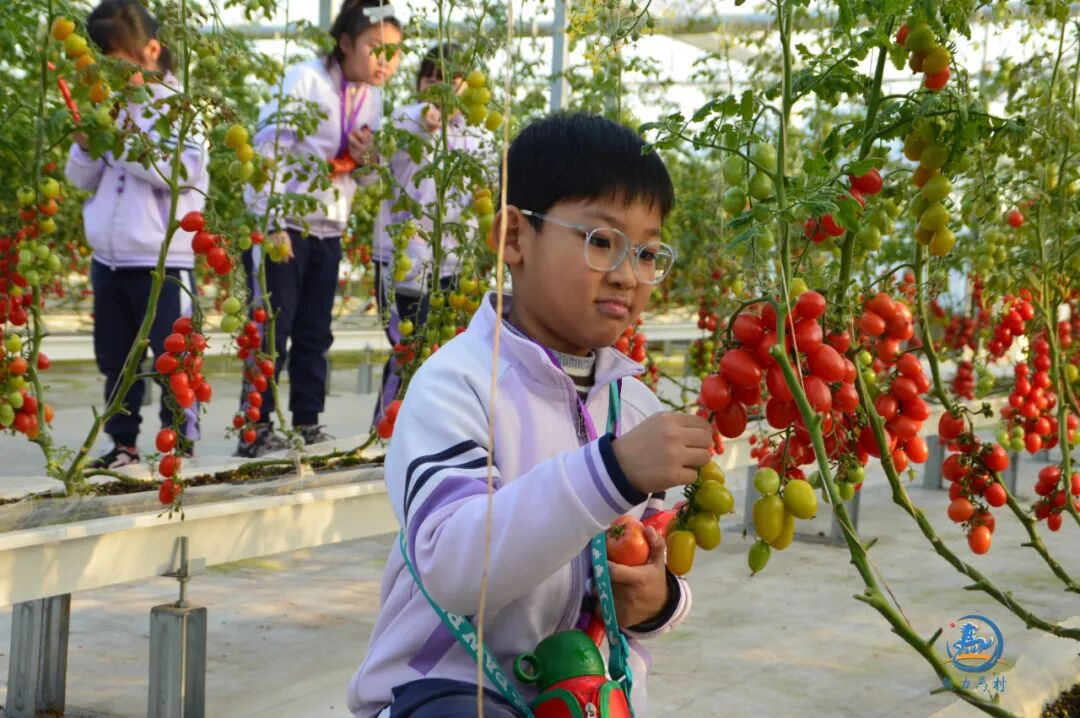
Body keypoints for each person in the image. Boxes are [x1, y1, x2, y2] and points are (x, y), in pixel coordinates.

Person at [348, 113, 713, 717]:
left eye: (648, 253)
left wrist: (658, 599)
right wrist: (613, 471)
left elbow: (653, 559)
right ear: (514, 237)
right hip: (450, 691)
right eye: (601, 241)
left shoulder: (635, 406)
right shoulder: (456, 386)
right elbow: (453, 565)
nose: (628, 273)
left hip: (588, 696)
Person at [239, 0, 403, 457]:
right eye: (375, 49)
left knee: (315, 331)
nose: (385, 63)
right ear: (346, 42)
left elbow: (367, 177)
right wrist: (270, 223)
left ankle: (307, 422)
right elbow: (267, 149)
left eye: (394, 53)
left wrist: (368, 158)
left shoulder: (372, 96)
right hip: (286, 225)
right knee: (273, 326)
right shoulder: (305, 79)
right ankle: (255, 428)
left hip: (329, 227)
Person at [66, 0, 207, 469]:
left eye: (117, 60)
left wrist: (120, 138)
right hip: (110, 259)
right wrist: (87, 148)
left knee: (173, 360)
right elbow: (80, 182)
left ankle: (180, 442)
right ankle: (122, 444)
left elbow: (181, 170)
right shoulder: (110, 106)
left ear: (151, 49)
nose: (109, 71)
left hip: (164, 262)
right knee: (118, 360)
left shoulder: (183, 105)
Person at [371, 42, 484, 429]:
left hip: (454, 264)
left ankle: (431, 432)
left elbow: (483, 196)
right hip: (403, 260)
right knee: (410, 351)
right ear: (420, 83)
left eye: (449, 80)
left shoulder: (474, 138)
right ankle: (386, 432)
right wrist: (426, 118)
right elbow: (397, 136)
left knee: (446, 354)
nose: (437, 88)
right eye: (430, 79)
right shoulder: (405, 121)